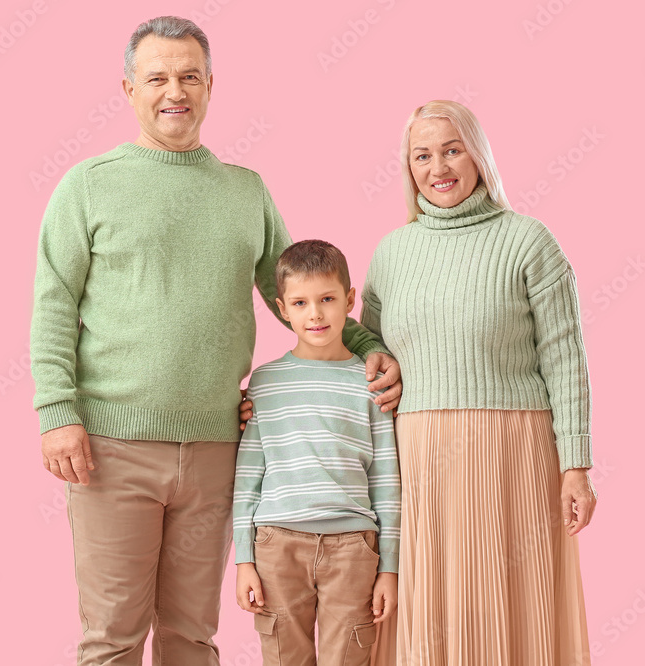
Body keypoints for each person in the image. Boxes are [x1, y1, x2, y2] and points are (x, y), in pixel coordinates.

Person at [30, 16, 403, 666]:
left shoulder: (244, 191)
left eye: (189, 76)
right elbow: (54, 302)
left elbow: (295, 292)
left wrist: (366, 343)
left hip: (214, 452)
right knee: (112, 638)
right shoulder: (87, 186)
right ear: (128, 87)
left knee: (192, 637)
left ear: (209, 86)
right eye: (157, 78)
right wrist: (57, 412)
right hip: (111, 450)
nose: (174, 91)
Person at [361, 100, 598, 664]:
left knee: (513, 600)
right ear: (408, 166)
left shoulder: (529, 242)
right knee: (426, 603)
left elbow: (566, 361)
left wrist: (576, 467)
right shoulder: (392, 253)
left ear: (478, 155)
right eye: (423, 155)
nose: (438, 166)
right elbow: (366, 349)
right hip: (418, 456)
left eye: (452, 148)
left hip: (515, 453)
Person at [233, 240, 400, 666]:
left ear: (348, 300)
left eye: (327, 299)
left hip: (354, 549)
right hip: (277, 545)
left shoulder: (371, 384)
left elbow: (386, 480)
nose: (316, 314)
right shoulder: (265, 384)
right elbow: (247, 477)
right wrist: (245, 560)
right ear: (282, 308)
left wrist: (390, 568)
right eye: (301, 303)